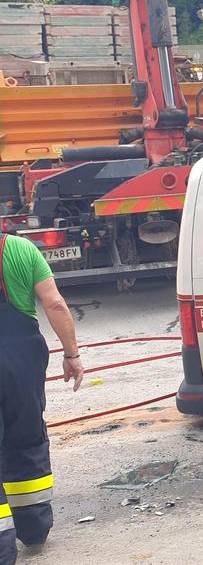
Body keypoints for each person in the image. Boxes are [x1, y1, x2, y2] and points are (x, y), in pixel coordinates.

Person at [1, 233, 84, 564]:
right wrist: (71, 354)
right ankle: (33, 529)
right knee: (26, 438)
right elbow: (55, 303)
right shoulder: (20, 248)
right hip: (21, 356)